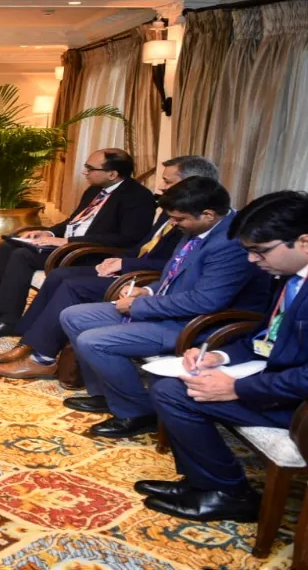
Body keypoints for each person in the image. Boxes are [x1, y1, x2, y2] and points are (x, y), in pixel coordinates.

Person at [144, 192, 308, 522]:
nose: (252, 261)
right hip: (290, 379)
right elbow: (266, 336)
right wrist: (218, 356)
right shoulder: (296, 269)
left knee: (176, 394)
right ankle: (202, 482)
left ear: (304, 241)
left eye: (259, 251)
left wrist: (239, 389)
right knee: (176, 380)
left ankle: (229, 493)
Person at [58, 176, 271, 439]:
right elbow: (176, 272)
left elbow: (206, 301)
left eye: (179, 219)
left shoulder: (231, 244)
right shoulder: (198, 229)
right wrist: (146, 289)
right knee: (73, 316)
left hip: (198, 325)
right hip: (167, 309)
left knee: (94, 341)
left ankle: (137, 412)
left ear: (208, 214)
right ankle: (109, 394)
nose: (173, 224)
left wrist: (140, 305)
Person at [0, 155, 219, 379]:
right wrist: (118, 261)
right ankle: (28, 342)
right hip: (132, 266)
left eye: (168, 181)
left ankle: (42, 358)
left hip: (144, 277)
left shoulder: (192, 220)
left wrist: (125, 263)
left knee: (72, 285)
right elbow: (144, 246)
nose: (160, 187)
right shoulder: (177, 212)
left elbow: (167, 264)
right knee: (58, 275)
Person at [0, 148, 156, 338]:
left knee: (22, 256)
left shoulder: (138, 197)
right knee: (8, 246)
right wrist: (47, 231)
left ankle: (9, 320)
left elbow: (128, 238)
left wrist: (67, 241)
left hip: (92, 253)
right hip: (69, 245)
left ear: (112, 174)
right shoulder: (95, 190)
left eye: (90, 168)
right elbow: (73, 221)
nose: (84, 172)